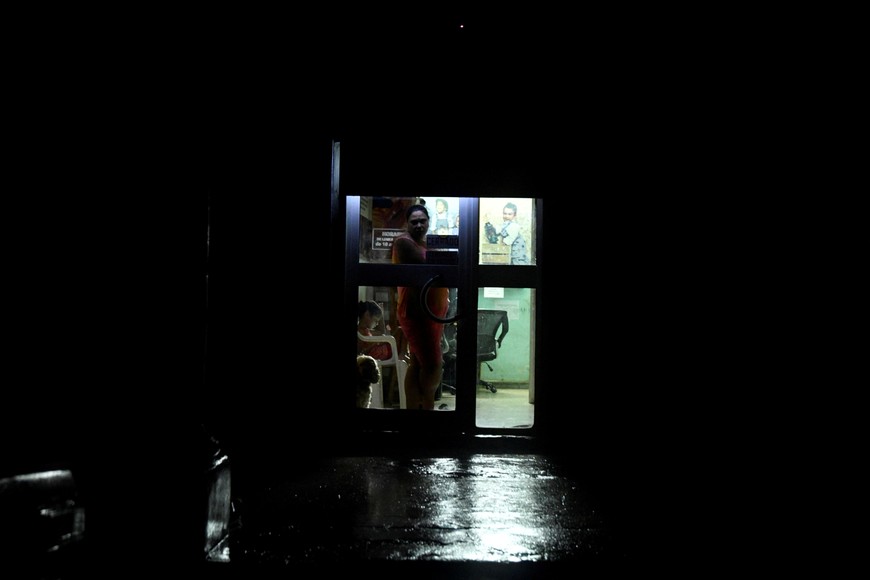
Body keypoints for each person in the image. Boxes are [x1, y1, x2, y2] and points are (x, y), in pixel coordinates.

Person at [392, 204, 449, 410]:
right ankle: (426, 406)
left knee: (418, 361)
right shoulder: (404, 242)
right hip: (417, 312)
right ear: (406, 224)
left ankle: (415, 410)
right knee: (433, 363)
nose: (418, 225)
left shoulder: (425, 243)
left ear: (428, 222)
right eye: (413, 221)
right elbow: (428, 266)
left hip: (431, 312)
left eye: (422, 221)